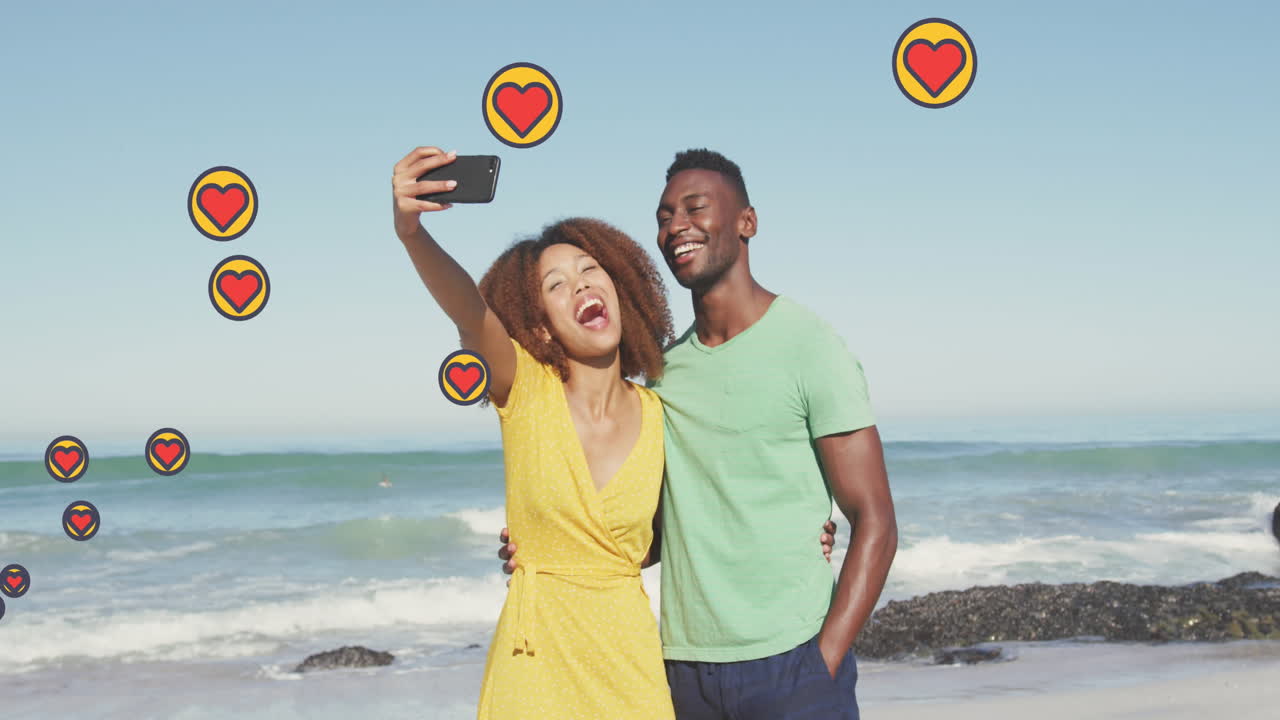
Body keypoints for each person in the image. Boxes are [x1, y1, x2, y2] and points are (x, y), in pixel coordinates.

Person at [392, 146, 837, 719]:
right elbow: (468, 311)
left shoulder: (660, 411)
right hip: (534, 665)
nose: (579, 287)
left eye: (589, 271)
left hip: (630, 666)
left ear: (619, 289)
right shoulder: (523, 390)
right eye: (556, 286)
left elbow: (711, 507)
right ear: (540, 326)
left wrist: (804, 530)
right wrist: (412, 234)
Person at [502, 149, 898, 719]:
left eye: (695, 208)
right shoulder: (662, 376)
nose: (675, 226)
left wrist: (823, 661)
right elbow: (659, 530)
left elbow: (877, 522)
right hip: (683, 673)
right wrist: (546, 542)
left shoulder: (811, 347)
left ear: (747, 223)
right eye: (664, 216)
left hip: (793, 663)